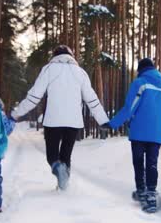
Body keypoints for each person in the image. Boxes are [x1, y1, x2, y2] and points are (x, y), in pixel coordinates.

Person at [11, 45, 109, 189]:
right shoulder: (80, 73)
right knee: (66, 154)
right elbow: (92, 100)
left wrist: (16, 113)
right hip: (74, 122)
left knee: (52, 155)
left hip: (53, 121)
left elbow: (34, 96)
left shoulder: (49, 69)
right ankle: (63, 185)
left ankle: (58, 170)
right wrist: (103, 120)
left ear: (55, 56)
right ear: (71, 56)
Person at [104, 58, 161, 213]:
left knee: (139, 161)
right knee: (152, 162)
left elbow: (129, 108)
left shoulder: (140, 83)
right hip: (156, 133)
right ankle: (151, 191)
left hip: (139, 131)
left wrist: (112, 124)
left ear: (141, 69)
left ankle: (141, 190)